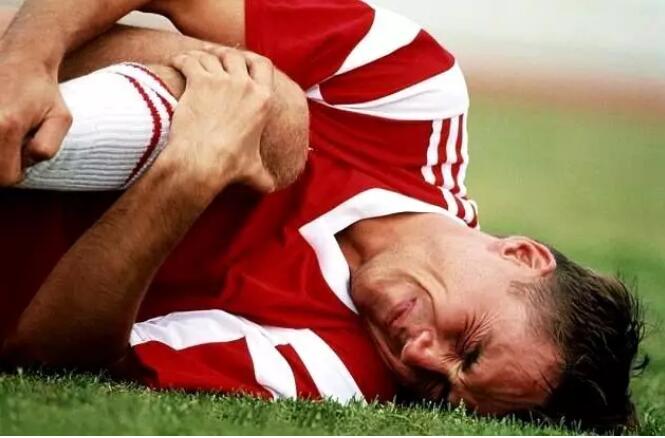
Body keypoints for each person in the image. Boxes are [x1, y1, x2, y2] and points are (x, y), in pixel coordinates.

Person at [0, 0, 646, 432]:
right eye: (468, 347)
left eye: (442, 391)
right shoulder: (415, 99)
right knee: (275, 116)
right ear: (522, 256)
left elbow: (50, 355)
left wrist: (189, 176)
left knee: (262, 112)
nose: (420, 355)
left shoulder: (337, 371)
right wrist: (24, 62)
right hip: (23, 87)